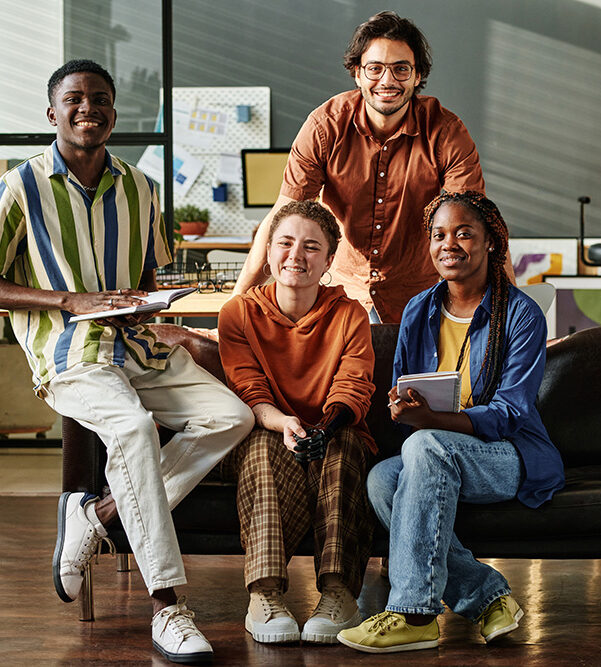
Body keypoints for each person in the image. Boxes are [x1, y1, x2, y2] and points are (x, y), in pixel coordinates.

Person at [0, 60, 254, 664]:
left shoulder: (141, 188)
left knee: (232, 417)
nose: (89, 108)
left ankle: (96, 516)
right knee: (135, 429)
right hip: (69, 356)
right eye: (75, 99)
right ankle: (168, 606)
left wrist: (151, 304)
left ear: (115, 111)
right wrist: (66, 299)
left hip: (134, 347)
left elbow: (144, 277)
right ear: (52, 112)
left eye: (101, 99)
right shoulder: (20, 187)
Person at [337, 190, 565, 653]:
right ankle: (486, 597)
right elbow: (404, 390)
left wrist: (432, 420)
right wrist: (403, 408)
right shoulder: (420, 309)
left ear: (490, 244)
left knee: (422, 447)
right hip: (439, 452)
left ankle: (415, 612)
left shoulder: (520, 315)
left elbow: (509, 415)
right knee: (382, 478)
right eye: (439, 235)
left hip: (509, 456)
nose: (449, 244)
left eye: (464, 233)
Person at [233, 11, 517, 323]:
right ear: (356, 72)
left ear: (418, 75)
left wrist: (510, 319)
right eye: (375, 69)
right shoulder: (325, 126)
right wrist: (233, 311)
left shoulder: (445, 131)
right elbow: (283, 218)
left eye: (400, 69)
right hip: (341, 296)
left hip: (419, 299)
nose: (387, 81)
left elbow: (476, 223)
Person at [218, 200, 376, 644]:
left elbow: (354, 385)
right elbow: (249, 389)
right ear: (267, 252)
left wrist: (322, 429)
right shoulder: (238, 314)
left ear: (328, 261)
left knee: (344, 450)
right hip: (270, 428)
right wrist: (282, 422)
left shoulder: (349, 314)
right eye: (285, 243)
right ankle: (264, 595)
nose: (296, 256)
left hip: (333, 426)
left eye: (311, 247)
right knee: (260, 451)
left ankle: (338, 593)